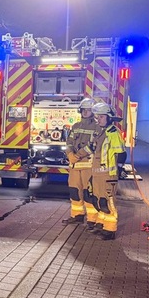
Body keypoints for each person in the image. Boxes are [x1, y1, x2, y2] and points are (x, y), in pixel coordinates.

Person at [87, 101, 127, 240]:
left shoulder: (113, 133)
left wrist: (119, 169)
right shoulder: (100, 132)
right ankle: (101, 224)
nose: (98, 120)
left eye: (101, 117)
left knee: (107, 202)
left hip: (108, 175)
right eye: (97, 117)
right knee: (98, 200)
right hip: (97, 174)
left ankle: (110, 230)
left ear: (109, 117)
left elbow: (121, 154)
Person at [63, 98, 102, 230]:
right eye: (84, 110)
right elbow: (69, 142)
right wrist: (69, 154)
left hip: (88, 166)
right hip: (74, 167)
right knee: (74, 191)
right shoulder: (76, 126)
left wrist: (77, 155)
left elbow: (93, 146)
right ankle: (77, 215)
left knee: (88, 193)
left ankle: (92, 220)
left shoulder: (97, 128)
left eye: (89, 110)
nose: (86, 112)